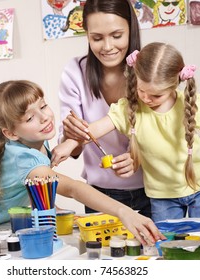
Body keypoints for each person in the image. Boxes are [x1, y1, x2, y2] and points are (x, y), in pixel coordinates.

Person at [52, 42, 200, 222]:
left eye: (156, 95)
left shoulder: (188, 105)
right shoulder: (129, 108)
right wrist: (69, 144)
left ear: (174, 85)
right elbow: (96, 129)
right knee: (165, 245)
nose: (146, 98)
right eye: (142, 90)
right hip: (162, 194)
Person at [0, 79, 164, 245]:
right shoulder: (24, 159)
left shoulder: (35, 144)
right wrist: (124, 212)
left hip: (15, 228)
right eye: (30, 118)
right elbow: (72, 188)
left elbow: (34, 192)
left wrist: (57, 211)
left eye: (43, 106)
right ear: (11, 133)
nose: (44, 118)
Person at [58, 0, 151, 217]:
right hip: (100, 196)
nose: (107, 47)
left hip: (156, 191)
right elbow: (73, 148)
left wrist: (140, 157)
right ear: (87, 34)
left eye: (117, 36)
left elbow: (170, 134)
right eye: (97, 38)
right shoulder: (75, 73)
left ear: (131, 29)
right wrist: (71, 137)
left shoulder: (150, 69)